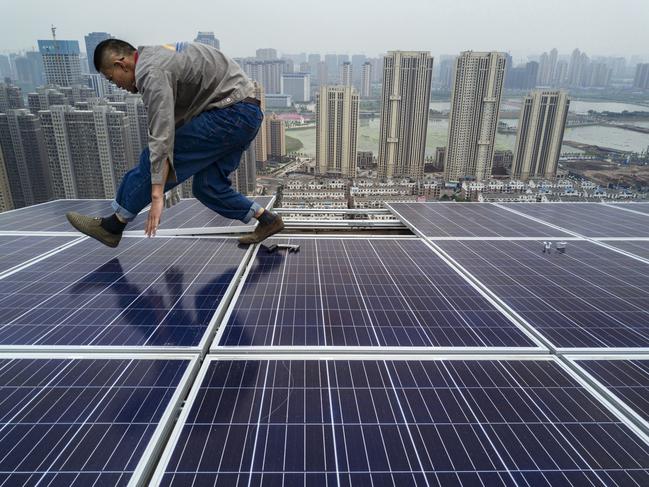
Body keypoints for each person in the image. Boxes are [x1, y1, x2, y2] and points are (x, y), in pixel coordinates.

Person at [66, 39, 283, 248]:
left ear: (121, 64)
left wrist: (157, 194)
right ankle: (268, 220)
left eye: (112, 79)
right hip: (246, 114)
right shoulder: (158, 58)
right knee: (207, 186)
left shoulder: (150, 72)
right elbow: (176, 120)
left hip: (230, 114)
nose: (117, 86)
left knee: (151, 158)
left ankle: (113, 226)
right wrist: (165, 178)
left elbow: (162, 137)